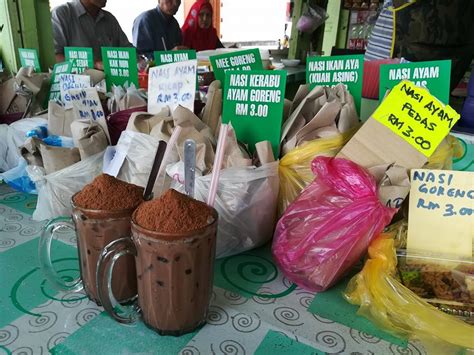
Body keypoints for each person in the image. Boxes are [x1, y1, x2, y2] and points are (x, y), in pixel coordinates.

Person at [51, 0, 131, 65]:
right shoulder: (61, 14)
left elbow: (128, 51)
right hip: (75, 82)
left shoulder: (109, 19)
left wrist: (140, 61)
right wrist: (95, 64)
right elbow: (54, 57)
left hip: (110, 83)